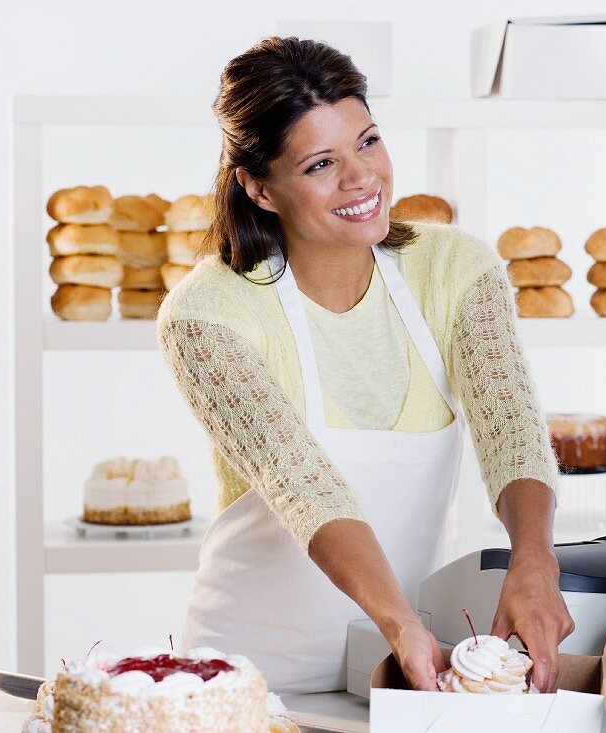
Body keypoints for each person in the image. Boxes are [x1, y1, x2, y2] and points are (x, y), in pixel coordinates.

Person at [157, 37, 573, 694]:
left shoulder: (455, 270)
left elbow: (510, 423)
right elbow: (303, 484)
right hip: (245, 684)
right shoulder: (208, 315)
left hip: (390, 670)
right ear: (258, 187)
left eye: (369, 141)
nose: (362, 178)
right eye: (321, 163)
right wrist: (402, 623)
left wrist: (534, 559)